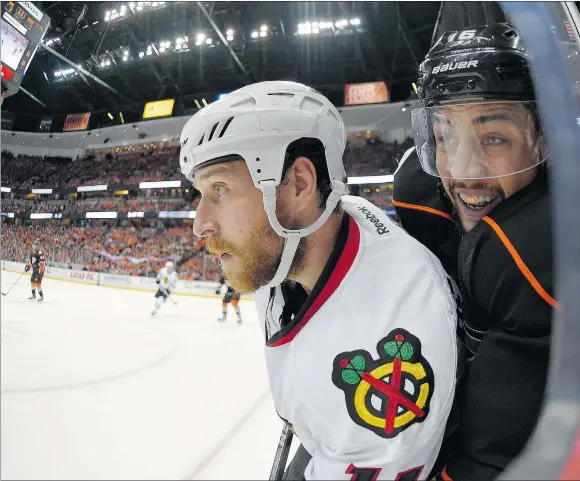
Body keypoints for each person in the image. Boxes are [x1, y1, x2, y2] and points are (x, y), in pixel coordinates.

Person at [180, 81, 459, 480]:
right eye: (200, 194)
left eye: (219, 189)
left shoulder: (388, 342)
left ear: (299, 184)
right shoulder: (300, 236)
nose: (199, 225)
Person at [395, 23, 559, 479]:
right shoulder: (417, 195)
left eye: (494, 138)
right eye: (446, 137)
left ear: (542, 142)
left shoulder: (528, 250)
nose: (464, 172)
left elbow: (492, 455)